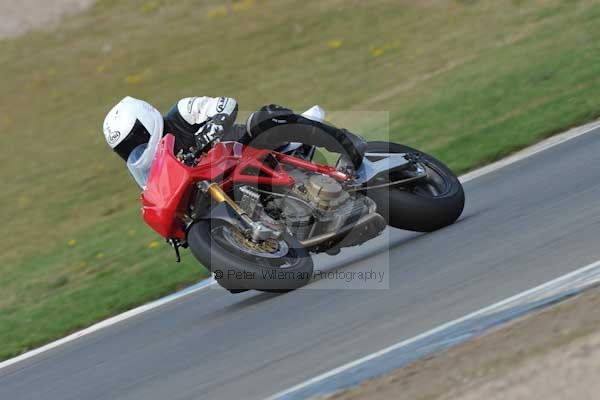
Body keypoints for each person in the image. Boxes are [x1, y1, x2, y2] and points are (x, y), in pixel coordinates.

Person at [102, 96, 366, 188]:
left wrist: (212, 128)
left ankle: (347, 142)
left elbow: (224, 104)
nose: (134, 150)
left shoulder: (181, 112)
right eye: (126, 149)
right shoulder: (154, 169)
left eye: (135, 139)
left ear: (146, 120)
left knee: (268, 116)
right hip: (225, 184)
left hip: (249, 149)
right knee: (232, 280)